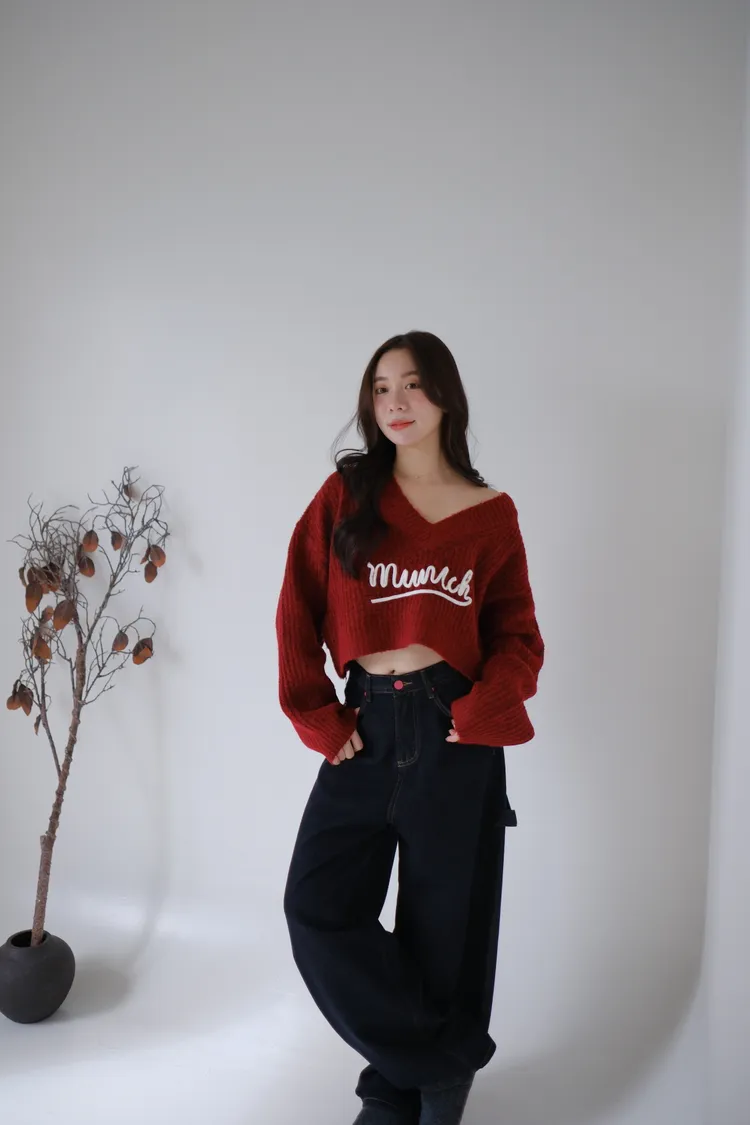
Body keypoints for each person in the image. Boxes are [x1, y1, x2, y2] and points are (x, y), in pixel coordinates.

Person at [275, 330, 544, 1125]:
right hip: (364, 723)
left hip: (452, 727)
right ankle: (440, 1066)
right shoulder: (347, 496)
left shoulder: (490, 515)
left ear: (446, 397)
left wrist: (483, 708)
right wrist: (317, 713)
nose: (395, 401)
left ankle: (396, 1092)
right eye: (382, 387)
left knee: (443, 922)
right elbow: (296, 607)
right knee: (317, 907)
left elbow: (518, 637)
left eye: (413, 384)